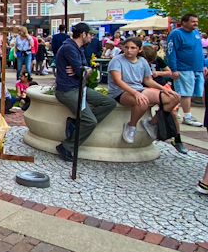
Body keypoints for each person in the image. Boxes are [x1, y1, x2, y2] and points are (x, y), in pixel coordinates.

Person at [109, 37, 186, 153]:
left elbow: (148, 80)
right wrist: (135, 93)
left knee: (174, 98)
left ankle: (152, 122)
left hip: (139, 89)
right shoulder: (117, 60)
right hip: (120, 92)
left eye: (133, 48)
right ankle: (131, 125)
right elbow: (118, 81)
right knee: (142, 102)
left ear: (139, 50)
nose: (129, 50)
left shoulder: (142, 61)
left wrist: (164, 89)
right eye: (127, 47)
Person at [54, 22, 116, 162]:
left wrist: (84, 70)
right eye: (91, 35)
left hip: (79, 88)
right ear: (83, 34)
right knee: (90, 121)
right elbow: (81, 71)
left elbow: (83, 70)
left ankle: (76, 124)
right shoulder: (69, 48)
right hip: (68, 90)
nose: (92, 37)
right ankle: (66, 147)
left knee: (109, 103)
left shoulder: (78, 48)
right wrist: (84, 70)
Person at [167, 13, 204, 126]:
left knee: (193, 93)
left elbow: (199, 50)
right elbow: (171, 52)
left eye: (196, 21)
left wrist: (204, 65)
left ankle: (171, 109)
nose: (195, 24)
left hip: (197, 68)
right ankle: (187, 116)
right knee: (185, 93)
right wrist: (173, 69)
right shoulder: (176, 34)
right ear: (184, 22)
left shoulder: (196, 33)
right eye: (193, 21)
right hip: (183, 68)